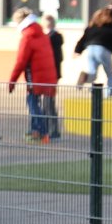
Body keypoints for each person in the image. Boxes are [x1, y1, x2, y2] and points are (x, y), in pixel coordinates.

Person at [9, 11, 59, 142]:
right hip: (48, 75)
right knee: (37, 102)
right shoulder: (41, 34)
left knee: (32, 103)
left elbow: (21, 61)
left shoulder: (27, 37)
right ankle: (36, 131)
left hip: (35, 76)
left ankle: (42, 132)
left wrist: (12, 81)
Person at [73, 3, 112, 94]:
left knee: (93, 73)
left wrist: (78, 50)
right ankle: (111, 95)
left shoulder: (96, 22)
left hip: (90, 48)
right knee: (110, 75)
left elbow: (85, 36)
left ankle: (86, 76)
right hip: (103, 48)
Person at [41, 12, 64, 140]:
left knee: (49, 102)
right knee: (47, 103)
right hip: (50, 73)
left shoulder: (54, 38)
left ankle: (53, 130)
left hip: (52, 73)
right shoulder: (52, 37)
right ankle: (47, 129)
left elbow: (57, 58)